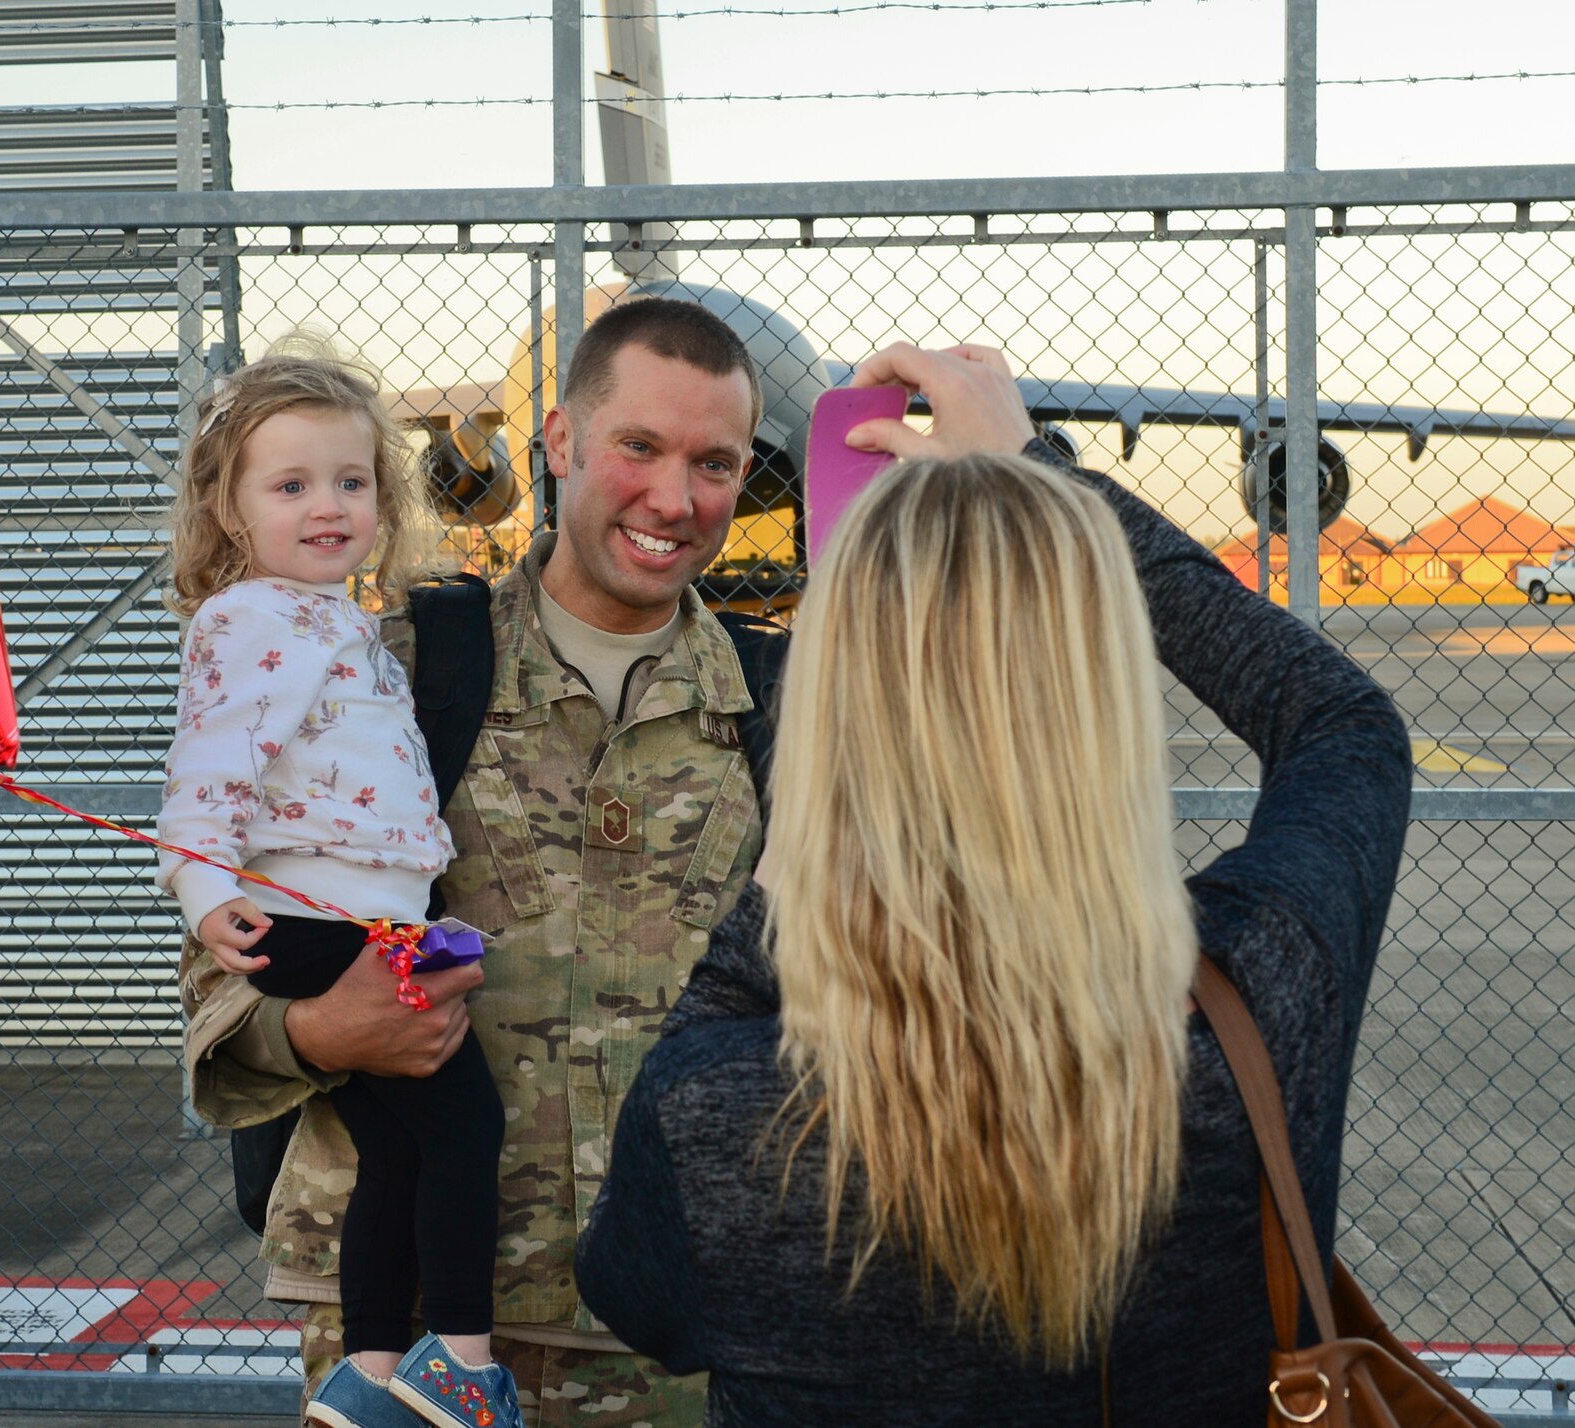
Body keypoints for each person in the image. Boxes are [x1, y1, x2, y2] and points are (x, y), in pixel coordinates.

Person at [574, 342, 1414, 1426]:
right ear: (1102, 685)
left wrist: (782, 883)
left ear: (831, 704)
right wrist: (1038, 472)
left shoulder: (713, 1106)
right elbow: (1342, 725)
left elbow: (629, 1297)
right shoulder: (1254, 999)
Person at [176, 297, 775, 1427]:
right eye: (637, 447)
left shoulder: (783, 705)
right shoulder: (387, 666)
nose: (674, 498)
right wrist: (315, 1030)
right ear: (558, 442)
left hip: (671, 1335)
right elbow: (220, 978)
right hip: (396, 1346)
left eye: (715, 463)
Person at [156, 342, 521, 1428]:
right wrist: (201, 887)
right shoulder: (256, 621)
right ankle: (458, 1354)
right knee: (462, 1129)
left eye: (351, 482)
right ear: (229, 509)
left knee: (398, 1148)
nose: (329, 506)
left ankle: (367, 1373)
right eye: (292, 484)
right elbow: (206, 771)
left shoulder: (326, 617)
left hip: (357, 917)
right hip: (321, 921)